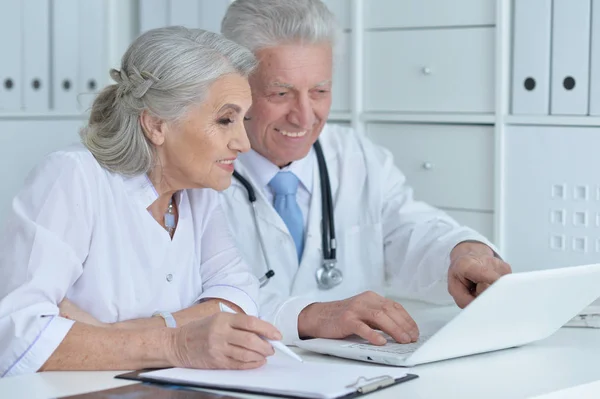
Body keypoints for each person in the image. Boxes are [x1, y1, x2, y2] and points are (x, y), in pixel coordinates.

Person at [219, 0, 512, 345]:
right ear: (235, 85)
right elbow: (192, 300)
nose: (303, 116)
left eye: (320, 92)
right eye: (280, 93)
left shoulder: (354, 155)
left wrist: (462, 251)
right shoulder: (197, 172)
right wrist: (311, 316)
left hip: (357, 376)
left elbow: (410, 229)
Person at [0, 26, 282, 377]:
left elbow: (238, 298)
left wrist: (113, 335)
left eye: (244, 119)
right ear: (156, 125)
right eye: (225, 120)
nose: (243, 143)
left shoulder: (198, 191)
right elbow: (16, 335)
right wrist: (176, 344)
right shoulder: (73, 177)